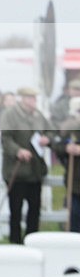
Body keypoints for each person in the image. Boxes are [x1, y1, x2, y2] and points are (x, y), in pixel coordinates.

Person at [0, 87, 57, 244]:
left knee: (34, 210)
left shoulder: (38, 115)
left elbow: (51, 131)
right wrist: (18, 151)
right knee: (16, 210)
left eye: (34, 98)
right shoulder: (10, 115)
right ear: (22, 99)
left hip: (35, 171)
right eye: (30, 98)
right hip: (16, 171)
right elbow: (5, 138)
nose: (33, 101)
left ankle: (32, 241)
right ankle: (15, 242)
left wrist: (47, 139)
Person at [54, 97, 80, 232]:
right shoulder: (70, 128)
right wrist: (66, 148)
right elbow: (57, 145)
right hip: (75, 182)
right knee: (75, 216)